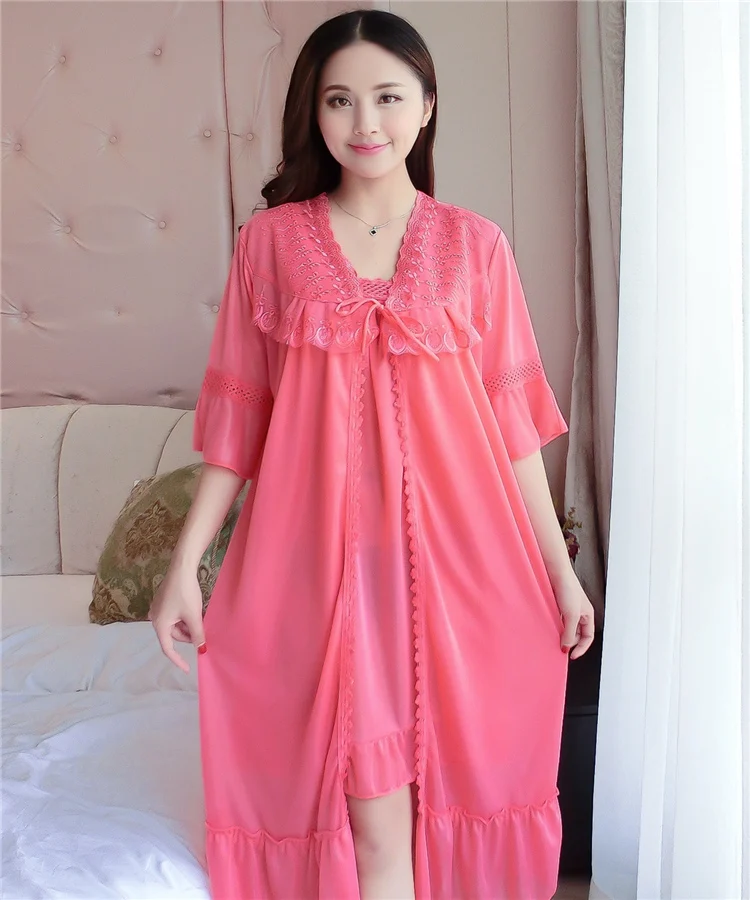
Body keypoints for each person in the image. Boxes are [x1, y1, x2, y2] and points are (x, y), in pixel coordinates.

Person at [149, 8, 596, 900]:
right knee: (374, 820)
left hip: (463, 566)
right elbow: (240, 422)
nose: (365, 123)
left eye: (388, 97)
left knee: (456, 802)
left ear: (426, 106)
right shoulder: (270, 245)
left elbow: (511, 425)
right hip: (322, 571)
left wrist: (560, 573)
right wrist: (184, 567)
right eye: (339, 100)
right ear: (313, 113)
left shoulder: (475, 245)